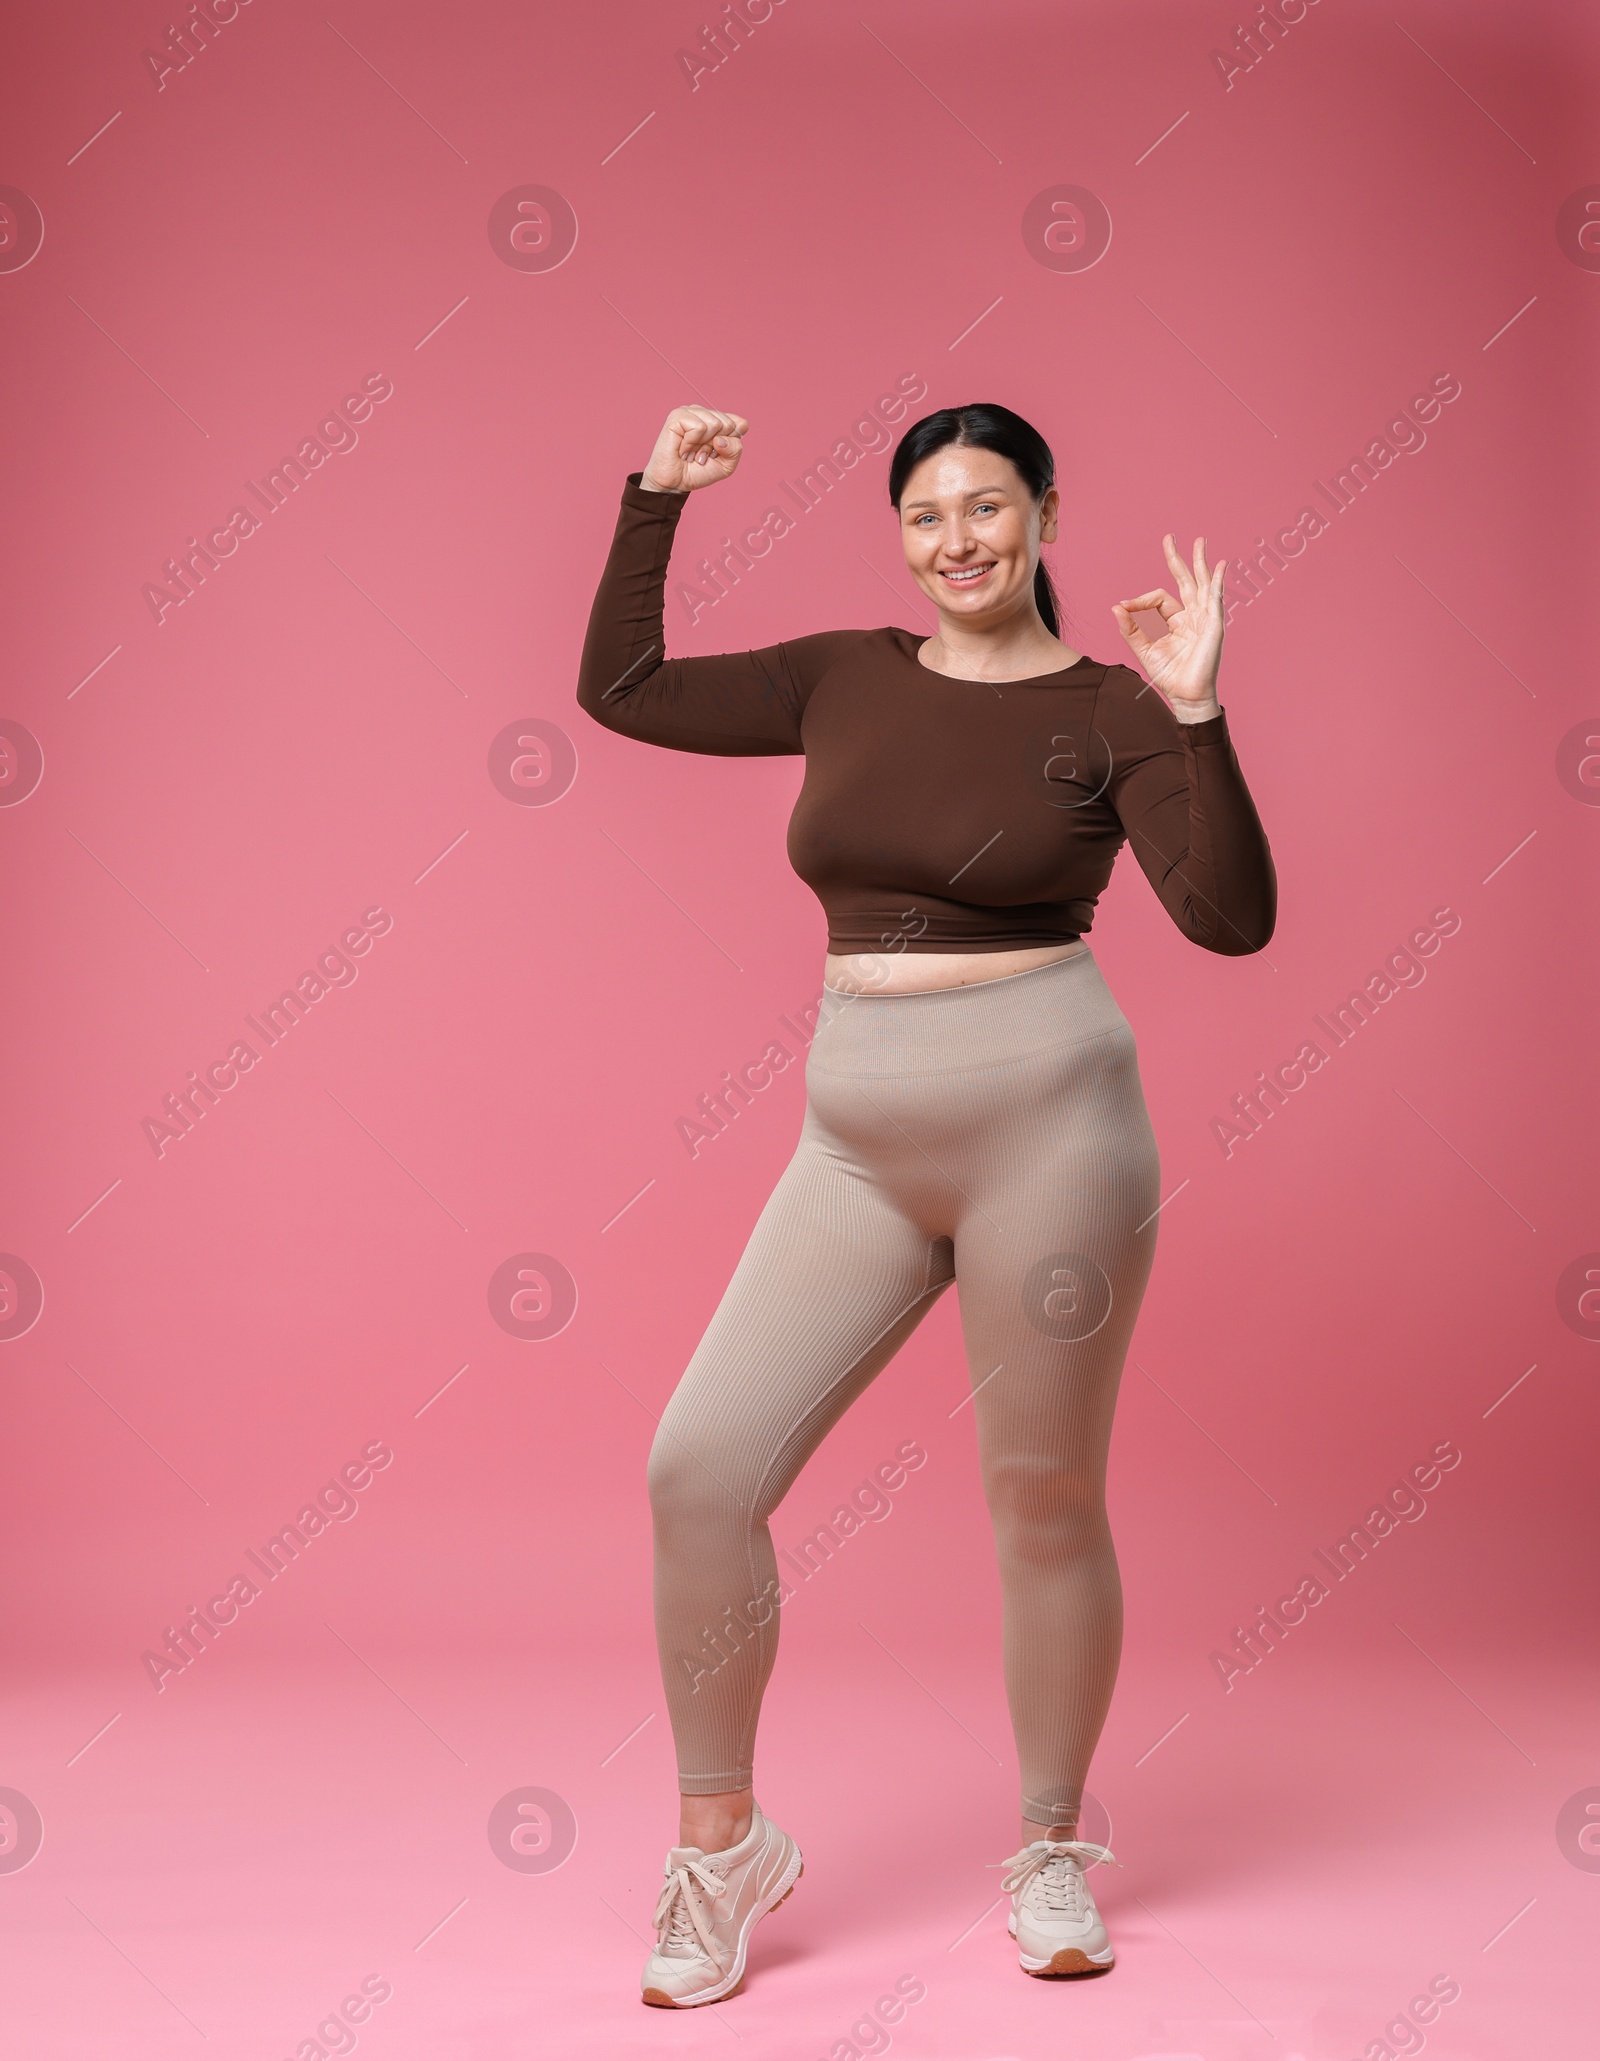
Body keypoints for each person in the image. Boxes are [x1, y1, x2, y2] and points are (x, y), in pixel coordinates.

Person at [575, 401, 1276, 2006]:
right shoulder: (843, 673)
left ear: (1043, 508)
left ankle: (1045, 1843)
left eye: (987, 505)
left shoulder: (1113, 704)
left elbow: (1230, 919)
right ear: (899, 533)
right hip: (857, 1139)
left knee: (1038, 1493)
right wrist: (655, 503)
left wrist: (1201, 714)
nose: (957, 539)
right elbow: (617, 692)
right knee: (700, 1467)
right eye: (925, 514)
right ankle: (720, 1844)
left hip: (1057, 1132)